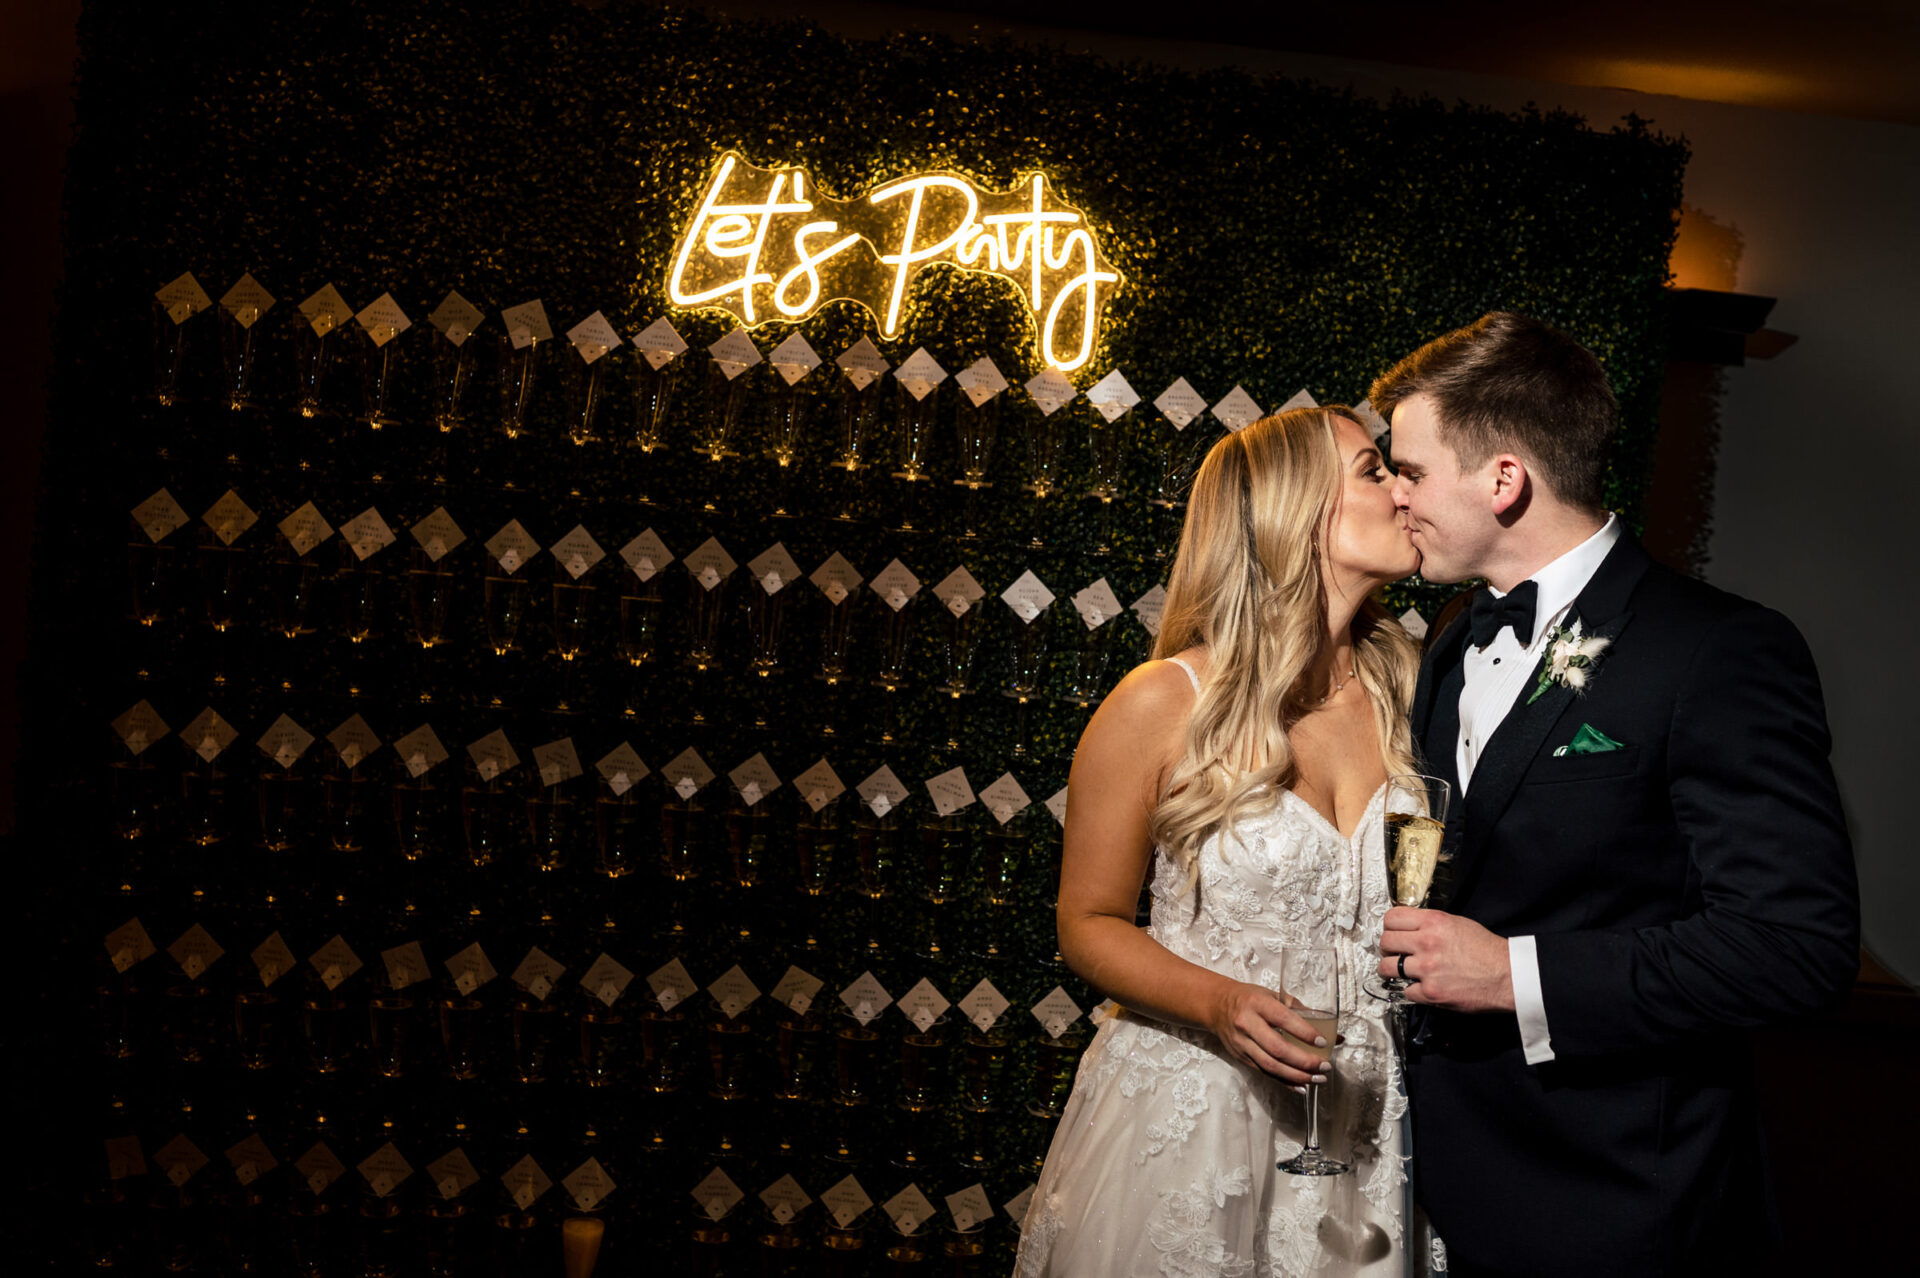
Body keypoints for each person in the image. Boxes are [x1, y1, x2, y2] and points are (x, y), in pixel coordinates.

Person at [1370, 312, 1858, 1276]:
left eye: (1412, 471)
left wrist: (1515, 975)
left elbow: (1795, 948)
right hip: (1425, 1185)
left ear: (1503, 479)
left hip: (1615, 1203)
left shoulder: (1717, 651)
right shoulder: (1454, 639)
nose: (1396, 497)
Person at [1016, 405, 1423, 1277]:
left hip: (1365, 1120)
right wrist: (1220, 1003)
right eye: (1372, 470)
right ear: (1293, 508)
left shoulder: (1415, 689)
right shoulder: (1162, 701)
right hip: (1196, 1113)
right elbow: (1087, 921)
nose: (1402, 487)